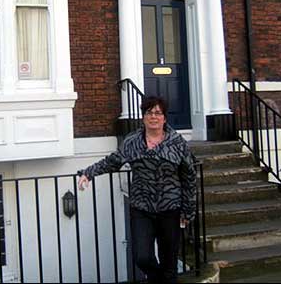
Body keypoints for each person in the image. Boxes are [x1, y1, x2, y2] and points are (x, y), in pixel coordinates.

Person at [77, 96, 197, 283]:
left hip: (171, 208)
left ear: (164, 118)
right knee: (142, 256)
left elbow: (189, 177)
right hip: (142, 208)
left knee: (169, 262)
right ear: (143, 117)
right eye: (149, 112)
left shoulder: (177, 143)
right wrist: (89, 173)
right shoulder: (132, 141)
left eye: (158, 113)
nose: (153, 117)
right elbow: (113, 161)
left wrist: (188, 210)